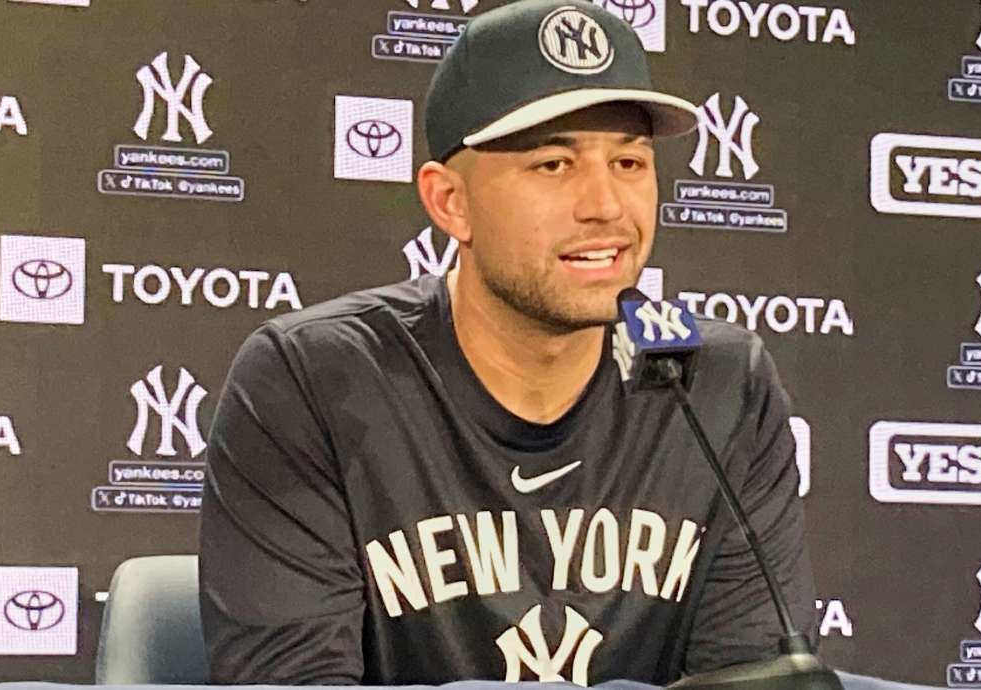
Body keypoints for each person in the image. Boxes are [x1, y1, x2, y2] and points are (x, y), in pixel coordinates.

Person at [198, 0, 815, 684]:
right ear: (449, 202)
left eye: (630, 164)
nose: (606, 207)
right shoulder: (313, 380)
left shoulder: (718, 382)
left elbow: (756, 677)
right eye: (553, 165)